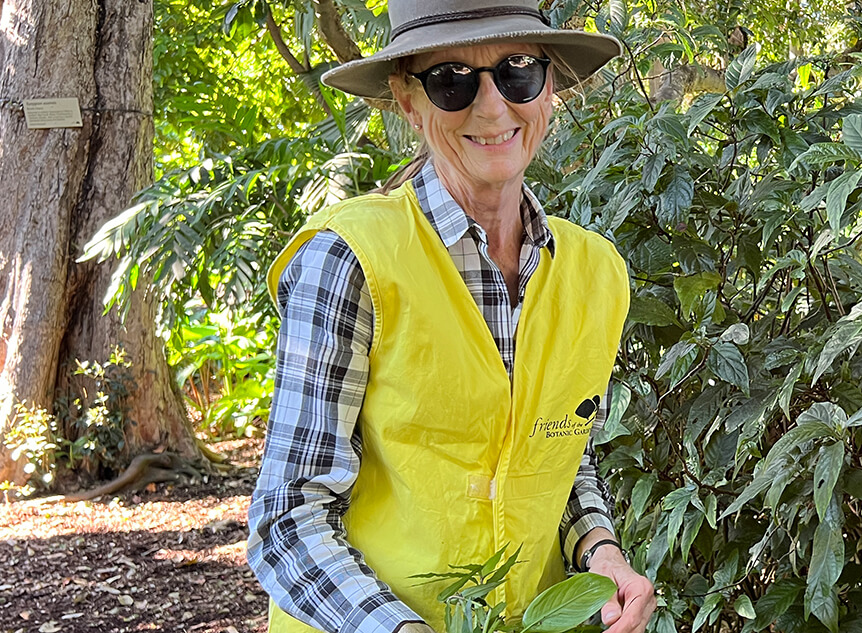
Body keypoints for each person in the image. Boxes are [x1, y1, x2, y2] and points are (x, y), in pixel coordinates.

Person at [245, 2, 655, 632]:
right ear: (409, 100)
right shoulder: (350, 258)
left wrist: (600, 553)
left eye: (518, 71)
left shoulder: (596, 273)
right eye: (452, 80)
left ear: (549, 88)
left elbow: (559, 453)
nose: (492, 108)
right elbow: (288, 515)